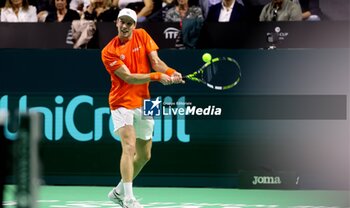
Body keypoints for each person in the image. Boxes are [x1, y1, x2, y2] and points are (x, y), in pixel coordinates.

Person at [101, 8, 183, 208]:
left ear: (135, 25)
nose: (126, 26)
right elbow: (128, 77)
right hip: (121, 102)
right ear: (117, 23)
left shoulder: (143, 36)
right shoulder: (108, 51)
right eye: (123, 22)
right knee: (128, 147)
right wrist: (157, 77)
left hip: (147, 101)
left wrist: (171, 72)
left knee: (145, 155)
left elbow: (156, 62)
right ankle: (128, 198)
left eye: (130, 23)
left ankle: (118, 191)